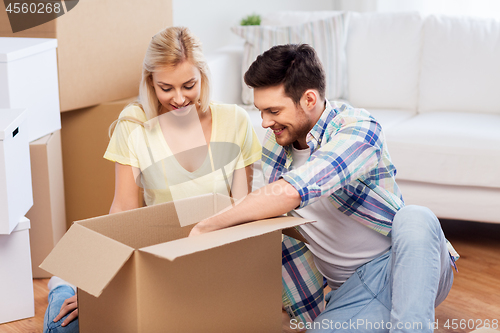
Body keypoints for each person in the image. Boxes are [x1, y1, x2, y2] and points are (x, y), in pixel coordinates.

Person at [190, 44, 458, 332]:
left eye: (273, 110)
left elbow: (295, 189)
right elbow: (263, 218)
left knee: (415, 217)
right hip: (354, 293)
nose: (265, 122)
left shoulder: (358, 127)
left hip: (409, 261)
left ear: (309, 99)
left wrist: (206, 227)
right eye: (261, 111)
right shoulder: (274, 149)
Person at [42, 26, 262, 333]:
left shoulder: (234, 121)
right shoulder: (133, 125)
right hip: (155, 261)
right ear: (150, 82)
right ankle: (63, 287)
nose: (180, 98)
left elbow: (241, 208)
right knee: (67, 328)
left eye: (189, 85)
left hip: (213, 260)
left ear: (203, 76)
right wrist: (91, 284)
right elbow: (123, 211)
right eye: (166, 88)